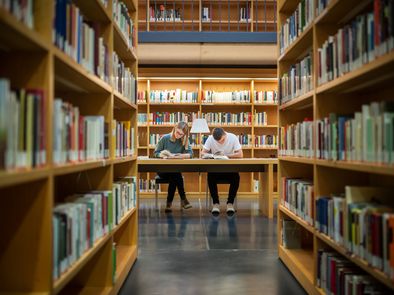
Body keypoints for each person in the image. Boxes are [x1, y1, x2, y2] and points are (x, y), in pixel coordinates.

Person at [201, 127, 243, 215]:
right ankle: (215, 203)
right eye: (218, 141)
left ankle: (230, 203)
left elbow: (240, 154)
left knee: (236, 177)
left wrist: (226, 155)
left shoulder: (233, 137)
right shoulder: (210, 138)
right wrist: (212, 155)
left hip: (230, 169)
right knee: (210, 175)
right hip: (216, 169)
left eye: (222, 140)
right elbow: (202, 153)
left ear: (225, 134)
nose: (221, 142)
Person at [154, 121, 193, 212]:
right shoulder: (165, 138)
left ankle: (169, 204)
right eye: (177, 132)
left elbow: (191, 154)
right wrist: (163, 156)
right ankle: (183, 199)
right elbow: (155, 153)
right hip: (162, 169)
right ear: (174, 129)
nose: (178, 135)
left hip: (174, 169)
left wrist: (179, 156)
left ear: (184, 134)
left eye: (181, 134)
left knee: (174, 175)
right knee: (176, 175)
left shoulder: (185, 140)